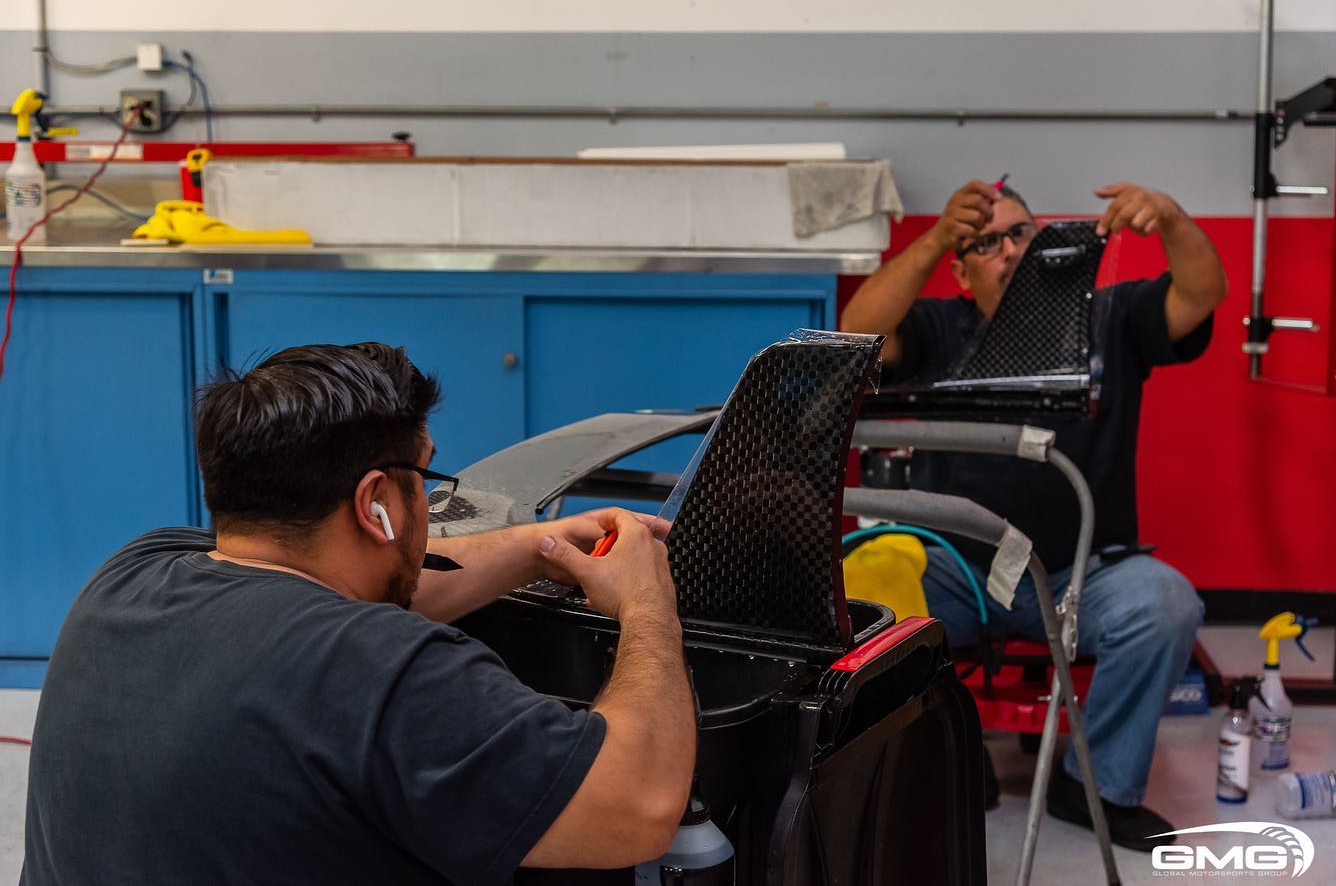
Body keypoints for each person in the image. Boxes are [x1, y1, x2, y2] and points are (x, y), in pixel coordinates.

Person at [22, 342, 696, 885]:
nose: (429, 510)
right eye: (424, 480)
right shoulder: (380, 667)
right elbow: (637, 808)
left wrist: (540, 546)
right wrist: (645, 600)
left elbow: (373, 586)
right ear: (376, 502)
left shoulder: (133, 571)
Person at [840, 180, 1227, 849]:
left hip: (1082, 570)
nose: (1011, 249)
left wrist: (1170, 217)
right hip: (958, 568)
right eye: (986, 243)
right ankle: (947, 750)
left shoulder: (1108, 315)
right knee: (862, 582)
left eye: (1023, 233)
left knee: (1168, 605)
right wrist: (934, 237)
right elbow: (857, 333)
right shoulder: (938, 327)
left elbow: (1201, 294)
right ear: (960, 271)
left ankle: (1093, 782)